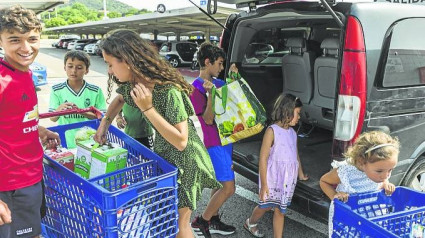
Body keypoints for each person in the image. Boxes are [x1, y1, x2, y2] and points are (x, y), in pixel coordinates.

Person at [93, 29, 221, 238]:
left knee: (181, 224)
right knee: (166, 219)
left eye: (110, 64)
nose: (109, 71)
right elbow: (119, 100)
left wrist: (148, 109)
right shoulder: (133, 84)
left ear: (127, 60)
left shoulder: (167, 90)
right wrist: (104, 124)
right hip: (164, 157)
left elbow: (181, 141)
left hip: (186, 163)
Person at [0, 5, 60, 238]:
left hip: (31, 176)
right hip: (9, 185)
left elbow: (14, 117)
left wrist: (37, 129)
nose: (26, 48)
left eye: (32, 38)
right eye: (15, 40)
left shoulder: (26, 72)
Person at [244, 93, 308, 238]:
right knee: (264, 206)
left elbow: (295, 154)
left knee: (280, 210)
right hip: (272, 178)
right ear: (287, 112)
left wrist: (300, 174)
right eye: (297, 113)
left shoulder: (292, 133)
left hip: (286, 180)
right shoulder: (272, 131)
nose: (299, 117)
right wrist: (264, 185)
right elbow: (263, 158)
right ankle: (251, 222)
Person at [189, 42, 236, 236]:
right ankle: (202, 221)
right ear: (207, 62)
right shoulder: (196, 88)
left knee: (219, 184)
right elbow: (208, 119)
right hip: (214, 143)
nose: (222, 68)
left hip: (226, 140)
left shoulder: (220, 83)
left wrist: (233, 78)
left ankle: (213, 218)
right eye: (219, 63)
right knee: (229, 188)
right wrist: (210, 94)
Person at [319, 130, 400, 237]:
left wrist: (386, 183)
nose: (385, 175)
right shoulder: (347, 172)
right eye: (380, 171)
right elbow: (324, 181)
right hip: (349, 220)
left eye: (390, 170)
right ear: (362, 163)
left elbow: (384, 178)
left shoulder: (382, 172)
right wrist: (335, 196)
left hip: (374, 216)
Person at [49, 50, 106, 148]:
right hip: (66, 141)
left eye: (79, 67)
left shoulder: (95, 91)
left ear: (87, 70)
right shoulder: (56, 90)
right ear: (64, 67)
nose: (74, 71)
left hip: (90, 141)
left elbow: (102, 117)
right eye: (70, 66)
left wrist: (80, 111)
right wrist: (59, 110)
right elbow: (52, 118)